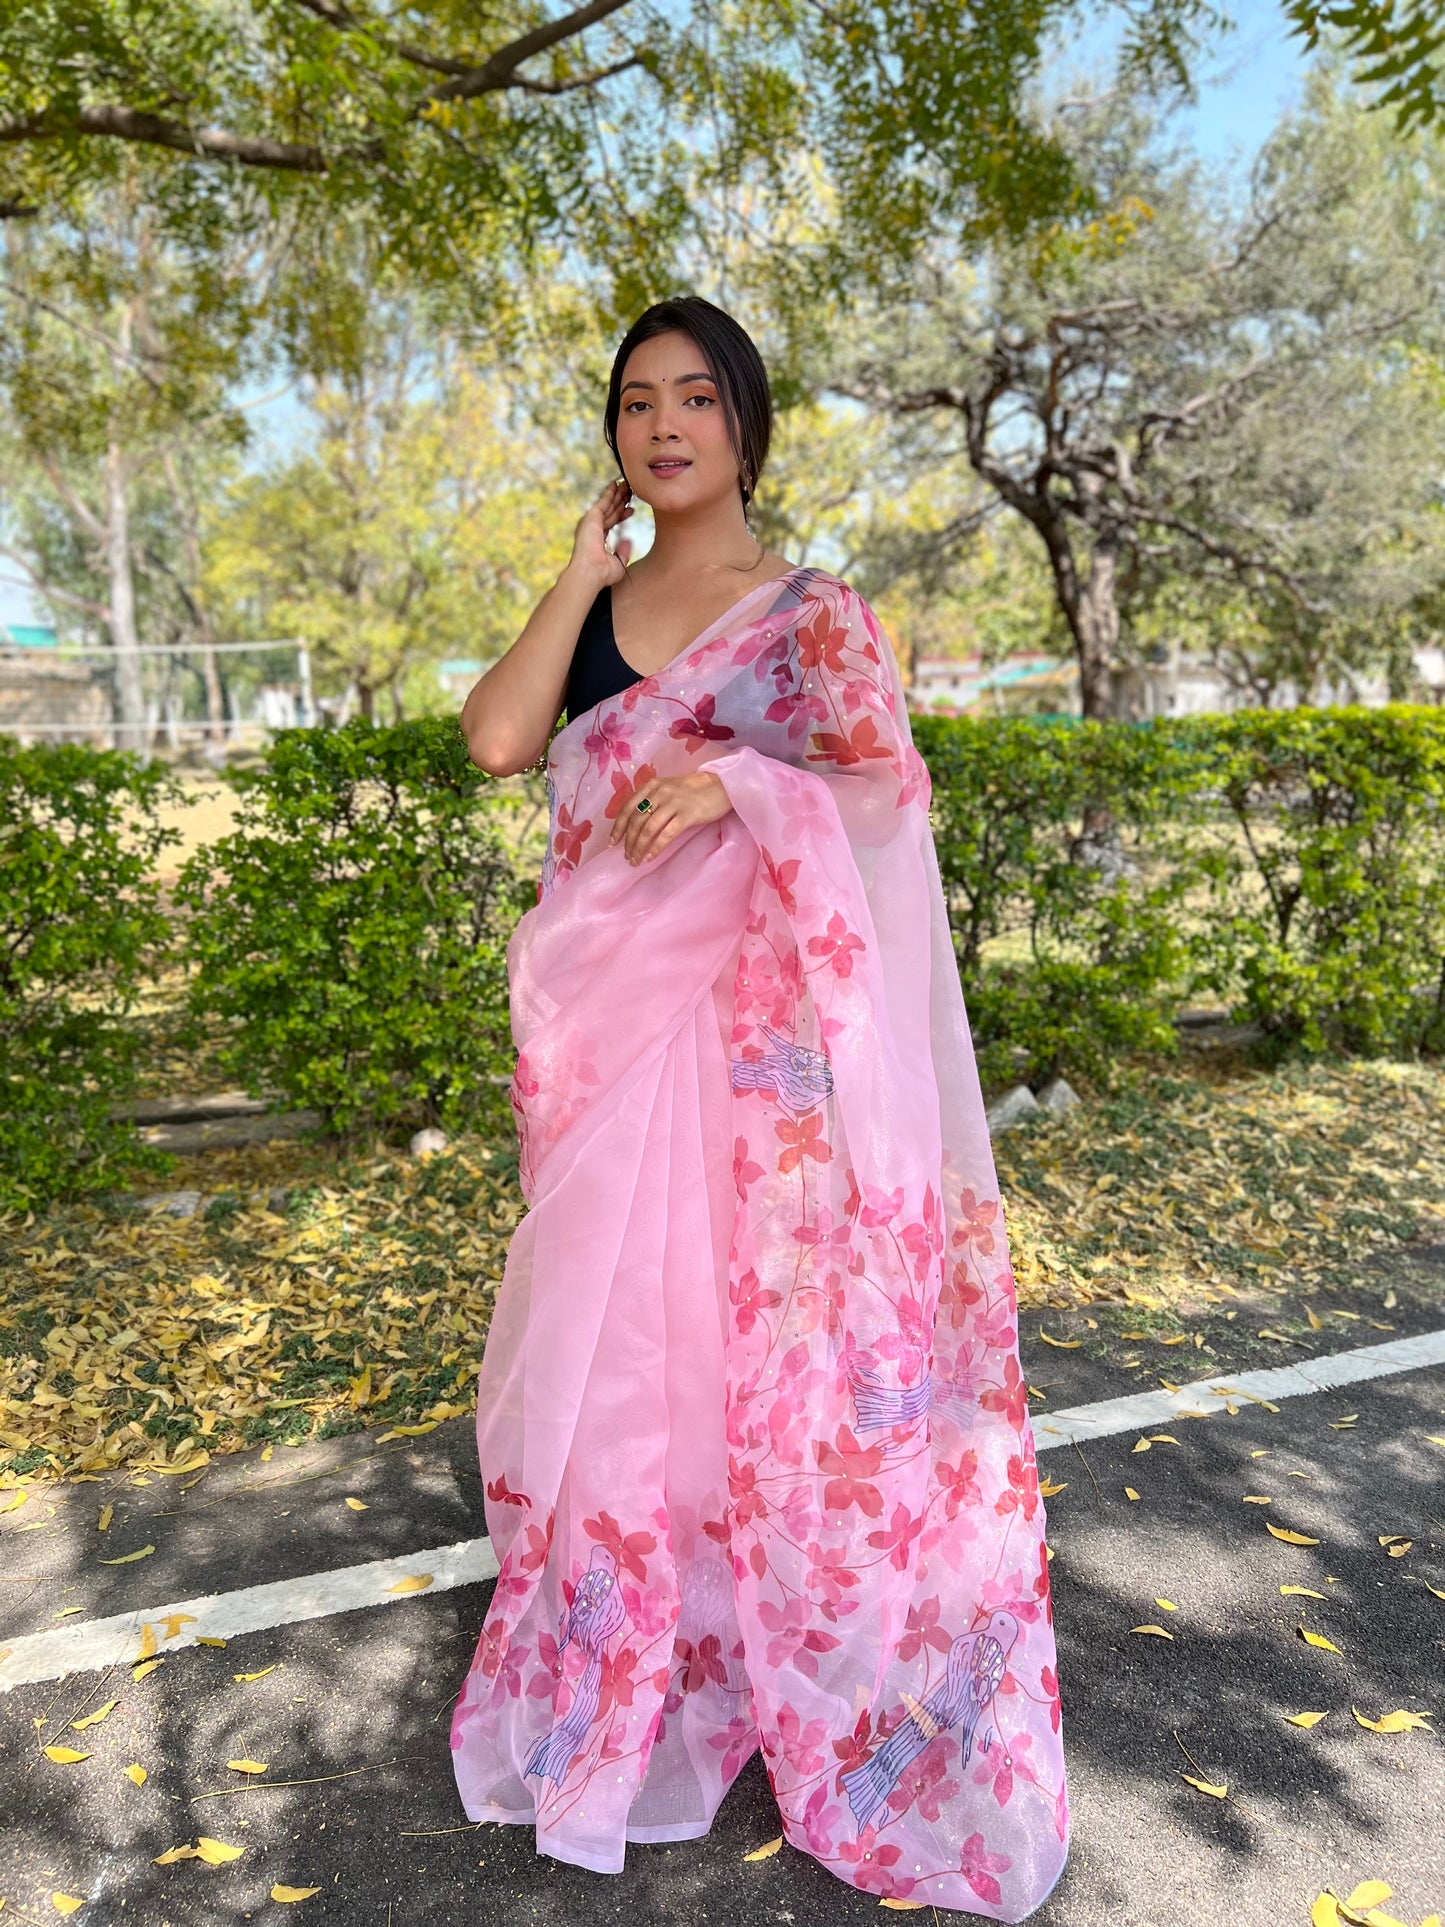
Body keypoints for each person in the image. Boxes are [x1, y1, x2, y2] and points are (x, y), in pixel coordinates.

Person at [451, 295, 1068, 1919]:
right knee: (625, 1344)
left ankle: (803, 1650)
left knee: (771, 1355)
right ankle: (645, 1646)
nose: (663, 428)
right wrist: (580, 575)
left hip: (762, 1068)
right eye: (635, 404)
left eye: (695, 400)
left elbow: (881, 797)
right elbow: (502, 739)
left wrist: (737, 779)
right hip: (607, 1045)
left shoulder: (805, 614)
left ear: (746, 426)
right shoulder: (599, 598)